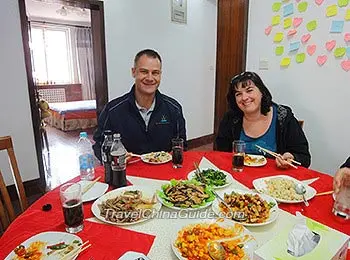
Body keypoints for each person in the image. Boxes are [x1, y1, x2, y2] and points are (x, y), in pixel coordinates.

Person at [93, 49, 187, 161]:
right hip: (127, 173)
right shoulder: (113, 110)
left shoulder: (174, 109)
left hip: (164, 173)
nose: (150, 78)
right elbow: (99, 145)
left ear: (160, 75)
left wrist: (174, 154)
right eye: (144, 71)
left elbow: (181, 144)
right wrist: (113, 157)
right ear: (133, 72)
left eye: (155, 73)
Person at [215, 71, 311, 168]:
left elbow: (304, 158)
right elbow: (220, 154)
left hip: (273, 180)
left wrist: (291, 158)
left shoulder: (283, 117)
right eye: (238, 94)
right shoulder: (231, 118)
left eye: (249, 90)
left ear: (261, 92)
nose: (244, 98)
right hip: (239, 176)